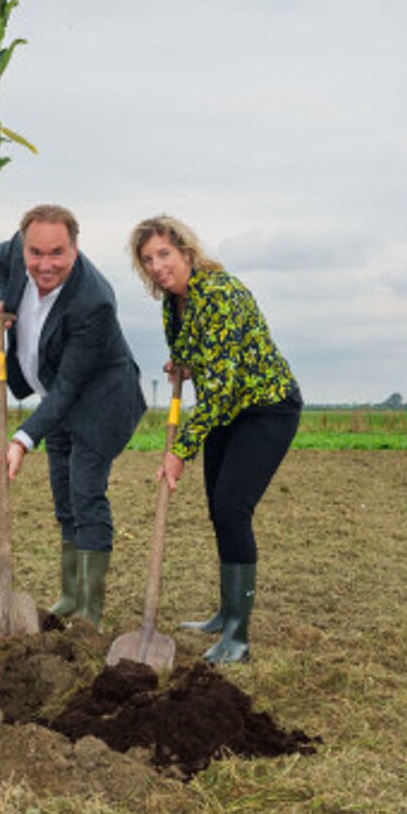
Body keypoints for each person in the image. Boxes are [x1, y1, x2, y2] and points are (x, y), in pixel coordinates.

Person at [128, 215, 302, 664]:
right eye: (148, 259)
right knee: (219, 510)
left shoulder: (220, 294)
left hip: (265, 408)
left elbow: (224, 386)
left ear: (186, 251)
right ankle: (226, 614)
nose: (157, 266)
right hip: (226, 411)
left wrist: (181, 451)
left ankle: (238, 638)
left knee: (232, 507)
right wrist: (181, 366)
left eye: (164, 254)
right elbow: (195, 355)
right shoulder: (174, 303)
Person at [0, 204, 147, 626]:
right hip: (55, 395)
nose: (45, 264)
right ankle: (70, 596)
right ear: (25, 245)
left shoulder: (94, 302)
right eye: (36, 253)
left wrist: (21, 439)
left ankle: (90, 611)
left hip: (101, 402)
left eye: (57, 253)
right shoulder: (16, 254)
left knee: (86, 494)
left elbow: (72, 387)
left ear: (75, 247)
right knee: (63, 496)